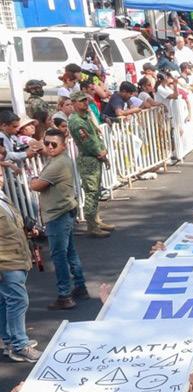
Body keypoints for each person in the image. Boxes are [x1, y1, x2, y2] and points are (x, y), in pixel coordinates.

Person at [28, 127, 86, 311]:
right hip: (63, 212)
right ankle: (80, 286)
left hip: (57, 215)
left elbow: (36, 186)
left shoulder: (58, 164)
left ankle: (65, 295)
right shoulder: (60, 158)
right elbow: (47, 150)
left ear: (63, 146)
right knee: (69, 252)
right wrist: (40, 146)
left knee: (59, 256)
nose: (49, 147)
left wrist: (32, 177)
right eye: (47, 143)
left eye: (54, 144)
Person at [67, 91, 113, 239]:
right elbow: (87, 142)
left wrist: (102, 150)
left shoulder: (86, 116)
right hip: (88, 158)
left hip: (94, 157)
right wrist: (99, 152)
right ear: (74, 103)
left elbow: (96, 135)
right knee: (91, 192)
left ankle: (96, 220)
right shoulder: (76, 121)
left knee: (96, 191)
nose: (85, 103)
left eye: (86, 100)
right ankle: (92, 226)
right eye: (81, 101)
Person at [0, 190, 38, 362]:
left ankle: (10, 341)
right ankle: (20, 346)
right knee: (18, 301)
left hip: (16, 258)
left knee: (6, 302)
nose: (1, 178)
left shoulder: (3, 197)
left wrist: (27, 231)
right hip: (6, 262)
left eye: (2, 176)